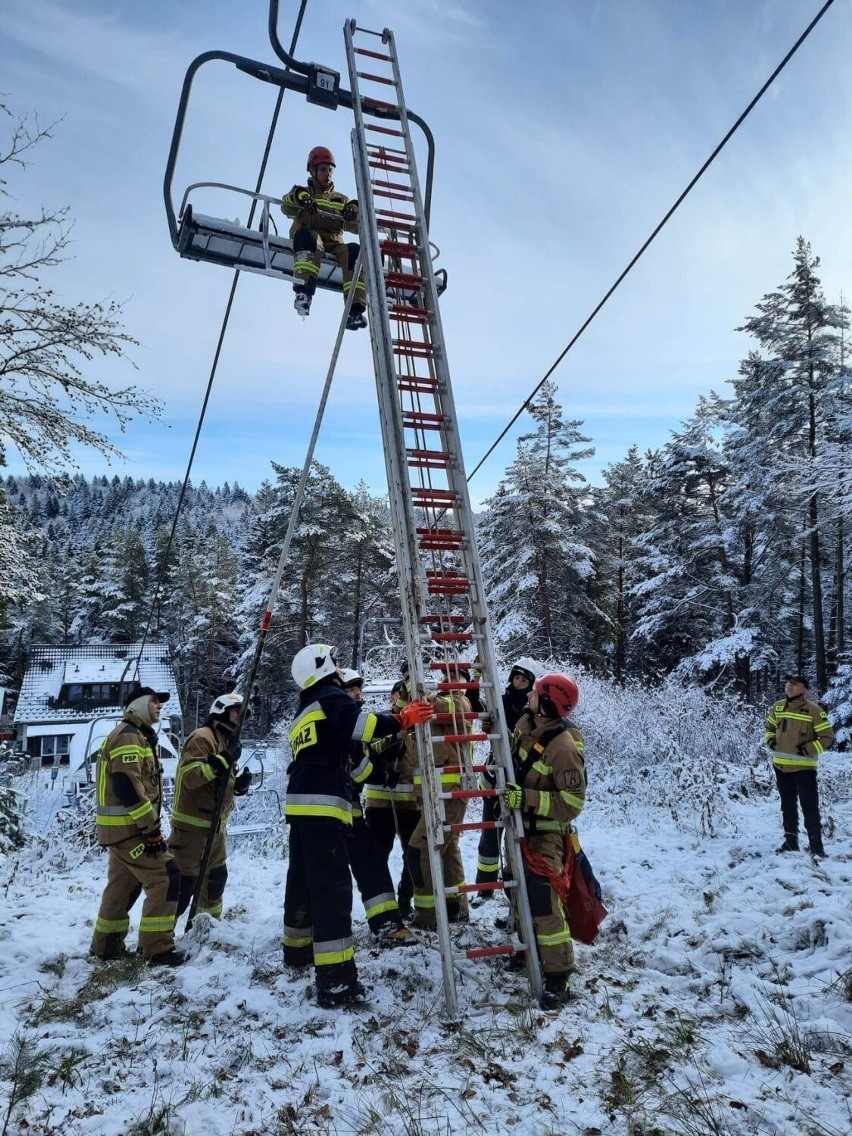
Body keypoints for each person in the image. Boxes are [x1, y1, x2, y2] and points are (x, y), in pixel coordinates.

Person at [283, 644, 433, 1008]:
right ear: (324, 670)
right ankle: (336, 983)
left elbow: (347, 761)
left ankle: (297, 949)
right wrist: (403, 719)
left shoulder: (305, 710)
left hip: (302, 806)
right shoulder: (330, 698)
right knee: (332, 891)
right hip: (325, 807)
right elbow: (365, 724)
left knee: (301, 881)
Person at [502, 673, 586, 1010]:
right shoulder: (525, 724)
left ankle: (558, 974)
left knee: (544, 902)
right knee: (517, 891)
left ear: (547, 703)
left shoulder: (564, 747)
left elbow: (572, 804)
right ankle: (530, 952)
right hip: (519, 828)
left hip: (545, 834)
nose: (530, 696)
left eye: (536, 694)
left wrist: (527, 799)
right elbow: (511, 764)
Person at [90, 685, 184, 967]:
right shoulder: (130, 737)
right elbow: (128, 787)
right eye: (154, 701)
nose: (159, 706)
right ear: (139, 704)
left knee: (122, 886)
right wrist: (151, 829)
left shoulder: (134, 735)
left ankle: (106, 946)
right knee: (166, 875)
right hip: (131, 831)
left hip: (120, 832)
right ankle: (156, 949)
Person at [340, 669, 415, 946]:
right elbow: (357, 767)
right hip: (343, 808)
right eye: (351, 690)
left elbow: (363, 754)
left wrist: (382, 751)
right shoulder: (345, 719)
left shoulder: (342, 718)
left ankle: (305, 931)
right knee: (370, 864)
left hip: (343, 806)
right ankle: (386, 925)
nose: (358, 694)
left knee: (331, 867)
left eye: (359, 689)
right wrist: (383, 774)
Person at [169, 692, 251, 920]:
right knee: (183, 886)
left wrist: (239, 787)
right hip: (191, 832)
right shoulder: (203, 737)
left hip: (216, 830)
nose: (240, 718)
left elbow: (217, 783)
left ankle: (207, 927)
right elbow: (191, 777)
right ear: (221, 711)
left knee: (215, 880)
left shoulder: (227, 742)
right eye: (236, 712)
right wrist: (224, 759)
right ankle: (159, 939)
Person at [405, 666, 474, 929]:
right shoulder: (440, 703)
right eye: (444, 677)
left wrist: (422, 691)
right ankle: (456, 907)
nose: (446, 680)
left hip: (452, 791)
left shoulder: (461, 701)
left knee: (420, 848)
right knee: (448, 851)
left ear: (465, 684)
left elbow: (444, 708)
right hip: (437, 793)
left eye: (453, 677)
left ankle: (427, 916)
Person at [282, 146, 367, 331]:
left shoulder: (340, 199)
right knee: (309, 239)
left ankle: (355, 311)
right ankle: (303, 295)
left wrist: (355, 209)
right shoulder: (302, 193)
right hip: (312, 239)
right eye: (322, 169)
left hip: (334, 243)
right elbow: (286, 206)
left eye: (330, 170)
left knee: (354, 251)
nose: (327, 174)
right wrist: (302, 199)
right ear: (312, 170)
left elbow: (358, 226)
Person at [474, 660, 539, 898]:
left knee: (517, 839)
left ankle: (514, 890)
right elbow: (473, 703)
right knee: (489, 837)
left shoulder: (533, 711)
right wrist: (475, 676)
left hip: (522, 780)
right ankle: (485, 889)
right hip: (495, 775)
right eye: (516, 677)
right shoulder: (498, 701)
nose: (519, 682)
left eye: (525, 680)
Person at [364, 666, 421, 918]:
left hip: (410, 805)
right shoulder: (380, 722)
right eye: (395, 694)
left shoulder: (420, 728)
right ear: (390, 698)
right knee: (377, 858)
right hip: (379, 804)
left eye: (403, 693)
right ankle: (382, 908)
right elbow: (368, 750)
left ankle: (404, 900)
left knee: (412, 857)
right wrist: (391, 742)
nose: (399, 698)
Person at [766, 673, 834, 857]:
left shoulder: (814, 710)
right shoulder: (777, 707)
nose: (789, 686)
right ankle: (790, 843)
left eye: (794, 684)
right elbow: (769, 728)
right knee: (787, 806)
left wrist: (809, 749)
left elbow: (827, 737)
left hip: (804, 769)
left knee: (810, 808)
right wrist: (771, 741)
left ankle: (817, 848)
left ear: (804, 688)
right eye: (788, 683)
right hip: (780, 767)